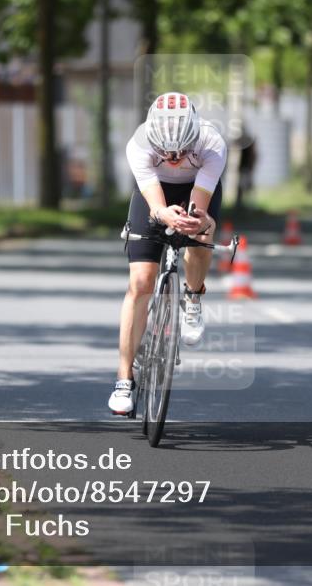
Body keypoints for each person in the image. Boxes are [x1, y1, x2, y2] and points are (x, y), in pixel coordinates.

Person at [108, 92, 228, 415]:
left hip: (196, 189)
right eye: (167, 153)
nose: (174, 158)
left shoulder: (212, 144)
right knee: (140, 283)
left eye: (181, 153)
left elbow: (198, 206)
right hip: (154, 193)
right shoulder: (139, 144)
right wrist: (162, 214)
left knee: (201, 231)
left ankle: (192, 297)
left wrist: (195, 219)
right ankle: (124, 378)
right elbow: (156, 205)